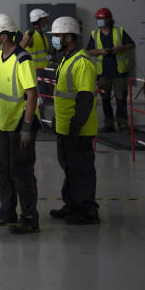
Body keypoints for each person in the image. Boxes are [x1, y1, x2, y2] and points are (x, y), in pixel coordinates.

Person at [0, 13, 40, 234]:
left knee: (21, 172)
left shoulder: (23, 59)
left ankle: (29, 217)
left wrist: (27, 127)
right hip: (3, 124)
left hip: (19, 126)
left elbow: (32, 94)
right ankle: (7, 212)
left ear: (4, 36)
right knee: (0, 170)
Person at [49, 16, 100, 224]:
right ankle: (72, 205)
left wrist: (76, 125)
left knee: (82, 170)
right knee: (69, 168)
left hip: (78, 129)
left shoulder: (82, 63)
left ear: (69, 37)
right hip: (64, 126)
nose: (55, 40)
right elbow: (63, 95)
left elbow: (85, 97)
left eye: (57, 36)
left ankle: (87, 211)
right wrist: (57, 119)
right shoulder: (66, 59)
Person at [86, 7, 136, 133]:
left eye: (101, 19)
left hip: (119, 72)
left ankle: (122, 123)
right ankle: (109, 124)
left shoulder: (119, 32)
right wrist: (101, 52)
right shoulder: (95, 34)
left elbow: (131, 44)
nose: (99, 21)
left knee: (121, 99)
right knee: (105, 99)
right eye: (98, 19)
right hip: (103, 74)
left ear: (108, 19)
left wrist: (120, 48)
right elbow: (90, 51)